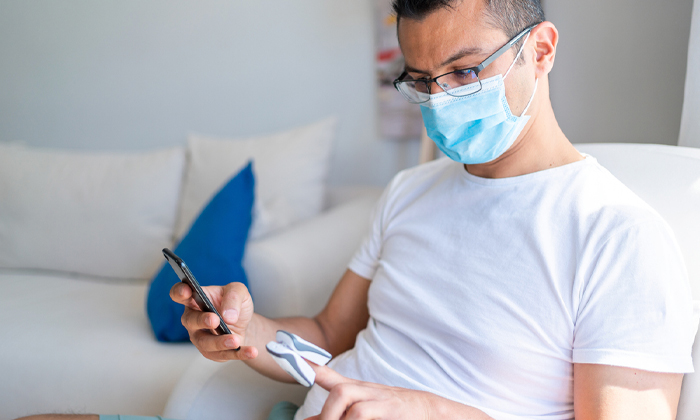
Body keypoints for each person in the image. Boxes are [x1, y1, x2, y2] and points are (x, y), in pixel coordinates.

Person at [19, 0, 697, 419]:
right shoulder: (409, 194)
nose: (442, 98)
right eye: (423, 81)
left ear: (540, 50)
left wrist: (431, 412)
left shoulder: (618, 238)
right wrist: (245, 330)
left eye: (465, 71)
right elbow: (326, 333)